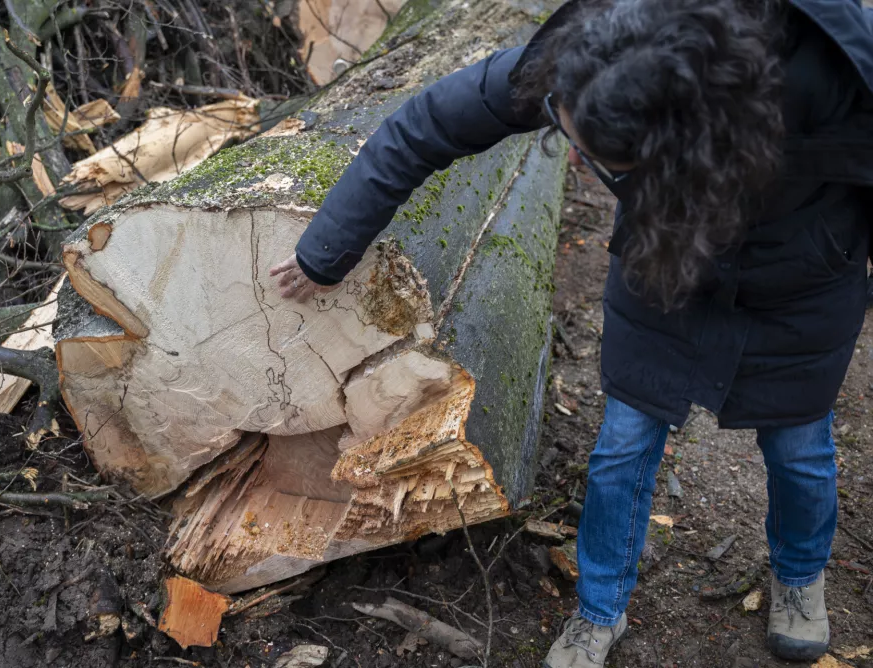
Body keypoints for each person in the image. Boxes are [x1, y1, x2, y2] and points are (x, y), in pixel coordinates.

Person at [270, 0, 873, 665]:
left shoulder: (835, 82)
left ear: (679, 150)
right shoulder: (601, 58)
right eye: (570, 136)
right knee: (622, 448)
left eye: (599, 158)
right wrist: (325, 252)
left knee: (799, 451)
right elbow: (430, 121)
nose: (578, 163)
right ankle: (599, 610)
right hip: (664, 264)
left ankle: (799, 577)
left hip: (802, 281)